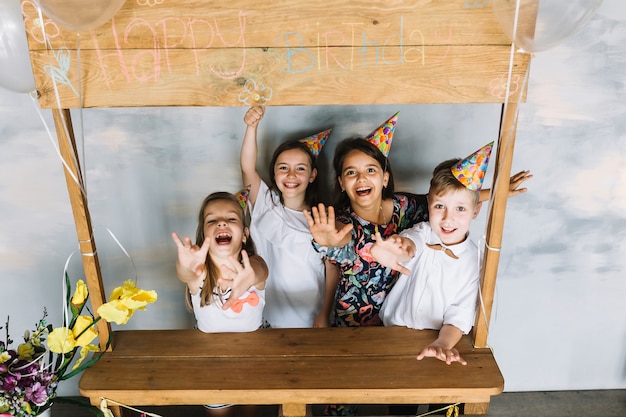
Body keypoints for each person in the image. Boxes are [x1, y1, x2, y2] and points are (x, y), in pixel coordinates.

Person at [305, 113, 532, 329]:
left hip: (399, 321)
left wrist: (496, 192)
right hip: (353, 324)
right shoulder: (341, 222)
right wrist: (330, 248)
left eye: (370, 170)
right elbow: (334, 262)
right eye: (351, 172)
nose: (362, 178)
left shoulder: (404, 206)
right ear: (342, 183)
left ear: (385, 178)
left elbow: (444, 199)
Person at [373, 143, 496, 366]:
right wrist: (395, 247)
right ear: (429, 203)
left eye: (460, 209)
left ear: (475, 211)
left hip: (441, 340)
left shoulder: (475, 261)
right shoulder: (422, 232)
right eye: (440, 206)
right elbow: (409, 246)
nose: (448, 218)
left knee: (441, 393)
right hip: (394, 334)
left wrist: (442, 344)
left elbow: (460, 314)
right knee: (400, 398)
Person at [240, 105, 340, 328]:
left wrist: (323, 315)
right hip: (266, 318)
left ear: (313, 175)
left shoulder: (320, 219)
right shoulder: (264, 204)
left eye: (301, 169)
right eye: (283, 167)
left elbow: (332, 269)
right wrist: (251, 126)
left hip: (310, 317)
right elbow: (248, 167)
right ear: (274, 173)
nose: (291, 175)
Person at [172, 190, 268, 417]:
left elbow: (260, 268)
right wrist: (186, 267)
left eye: (232, 218)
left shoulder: (252, 265)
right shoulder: (199, 274)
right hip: (210, 362)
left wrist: (250, 276)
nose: (222, 222)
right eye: (212, 220)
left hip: (254, 357)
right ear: (203, 235)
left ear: (244, 234)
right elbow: (185, 274)